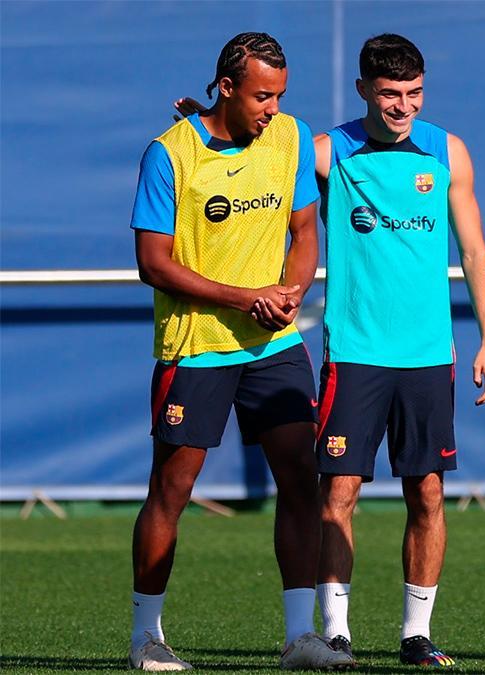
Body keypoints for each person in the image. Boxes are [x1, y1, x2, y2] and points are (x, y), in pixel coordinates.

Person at [129, 32, 353, 670]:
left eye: (280, 95)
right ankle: (146, 636)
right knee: (171, 491)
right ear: (225, 87)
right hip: (196, 347)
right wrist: (242, 295)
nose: (273, 109)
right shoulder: (168, 156)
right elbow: (153, 264)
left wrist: (292, 288)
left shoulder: (286, 138)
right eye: (261, 95)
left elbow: (306, 229)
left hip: (274, 345)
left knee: (301, 479)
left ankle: (298, 638)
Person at [309, 34, 485, 669]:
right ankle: (336, 633)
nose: (402, 106)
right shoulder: (328, 154)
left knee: (427, 492)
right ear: (363, 88)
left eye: (414, 94)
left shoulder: (447, 152)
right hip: (356, 352)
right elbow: (255, 162)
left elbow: (474, 251)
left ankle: (415, 633)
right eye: (390, 94)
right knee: (339, 491)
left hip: (427, 357)